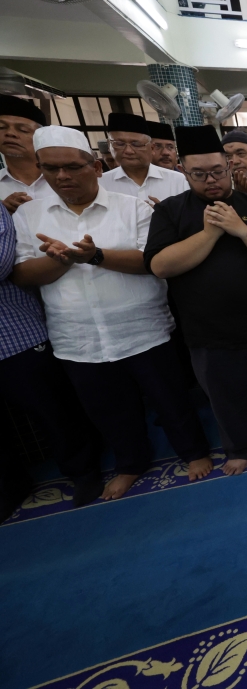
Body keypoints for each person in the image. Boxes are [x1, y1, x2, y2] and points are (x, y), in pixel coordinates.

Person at [11, 126, 211, 497]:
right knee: (108, 409)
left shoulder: (132, 207)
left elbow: (151, 261)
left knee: (171, 399)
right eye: (51, 169)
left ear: (96, 166)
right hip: (77, 334)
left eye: (72, 166)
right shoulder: (27, 215)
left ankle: (194, 452)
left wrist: (93, 256)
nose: (63, 176)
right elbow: (21, 271)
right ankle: (131, 463)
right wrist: (62, 261)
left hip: (142, 326)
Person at [145, 125, 247, 476]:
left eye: (218, 172)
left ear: (228, 168)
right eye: (199, 174)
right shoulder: (171, 212)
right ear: (183, 171)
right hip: (209, 331)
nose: (210, 181)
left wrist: (240, 229)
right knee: (224, 397)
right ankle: (238, 448)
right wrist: (210, 233)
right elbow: (160, 265)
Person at [0, 204, 104, 517]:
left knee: (53, 411)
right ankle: (8, 487)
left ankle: (84, 471)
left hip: (15, 336)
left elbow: (3, 265)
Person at [99, 113, 189, 204]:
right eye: (119, 144)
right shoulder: (100, 184)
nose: (128, 151)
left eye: (136, 144)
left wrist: (164, 215)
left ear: (151, 148)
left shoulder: (178, 180)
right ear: (109, 145)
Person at [0, 94, 51, 213]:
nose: (10, 133)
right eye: (1, 127)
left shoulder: (65, 179)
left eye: (23, 130)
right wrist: (3, 214)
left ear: (41, 136)